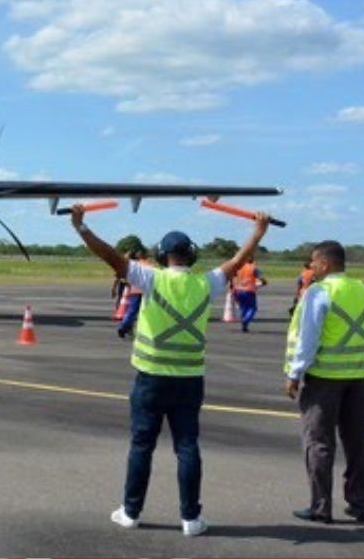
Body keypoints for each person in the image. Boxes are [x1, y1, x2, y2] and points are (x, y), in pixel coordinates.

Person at [69, 204, 271, 537]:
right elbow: (236, 263)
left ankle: (131, 511)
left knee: (141, 446)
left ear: (162, 257)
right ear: (191, 256)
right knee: (188, 446)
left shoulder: (150, 277)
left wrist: (82, 228)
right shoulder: (206, 284)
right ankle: (191, 518)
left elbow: (110, 256)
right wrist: (258, 232)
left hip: (150, 377)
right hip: (189, 380)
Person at [284, 240, 364, 524]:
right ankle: (360, 504)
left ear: (325, 264)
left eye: (313, 262)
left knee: (319, 443)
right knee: (357, 444)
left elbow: (308, 338)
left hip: (324, 380)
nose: (311, 267)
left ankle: (321, 506)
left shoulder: (319, 292)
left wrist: (294, 373)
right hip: (359, 379)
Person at [113, 249, 151, 339]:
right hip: (144, 290)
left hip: (134, 290)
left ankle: (125, 326)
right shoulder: (148, 263)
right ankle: (126, 327)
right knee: (145, 310)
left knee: (132, 310)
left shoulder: (134, 265)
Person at [231, 254, 268, 333]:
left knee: (243, 308)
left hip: (238, 290)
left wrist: (233, 288)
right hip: (248, 291)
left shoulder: (239, 268)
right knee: (252, 308)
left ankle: (245, 326)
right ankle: (245, 320)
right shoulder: (253, 268)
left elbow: (232, 277)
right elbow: (262, 279)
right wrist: (264, 282)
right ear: (252, 259)